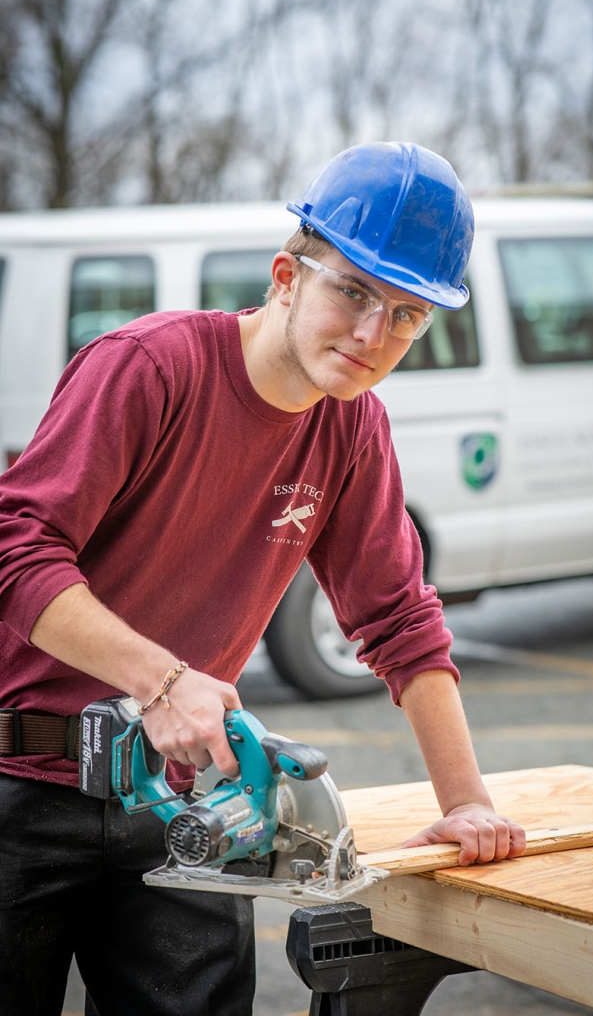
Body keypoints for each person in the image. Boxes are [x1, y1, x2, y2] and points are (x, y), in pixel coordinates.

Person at [0, 141, 526, 1016]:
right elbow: (15, 550)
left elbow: (398, 616)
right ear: (287, 274)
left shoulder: (352, 429)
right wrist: (162, 680)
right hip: (19, 782)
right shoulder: (150, 368)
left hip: (183, 800)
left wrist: (467, 804)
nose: (371, 335)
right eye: (352, 292)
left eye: (405, 314)